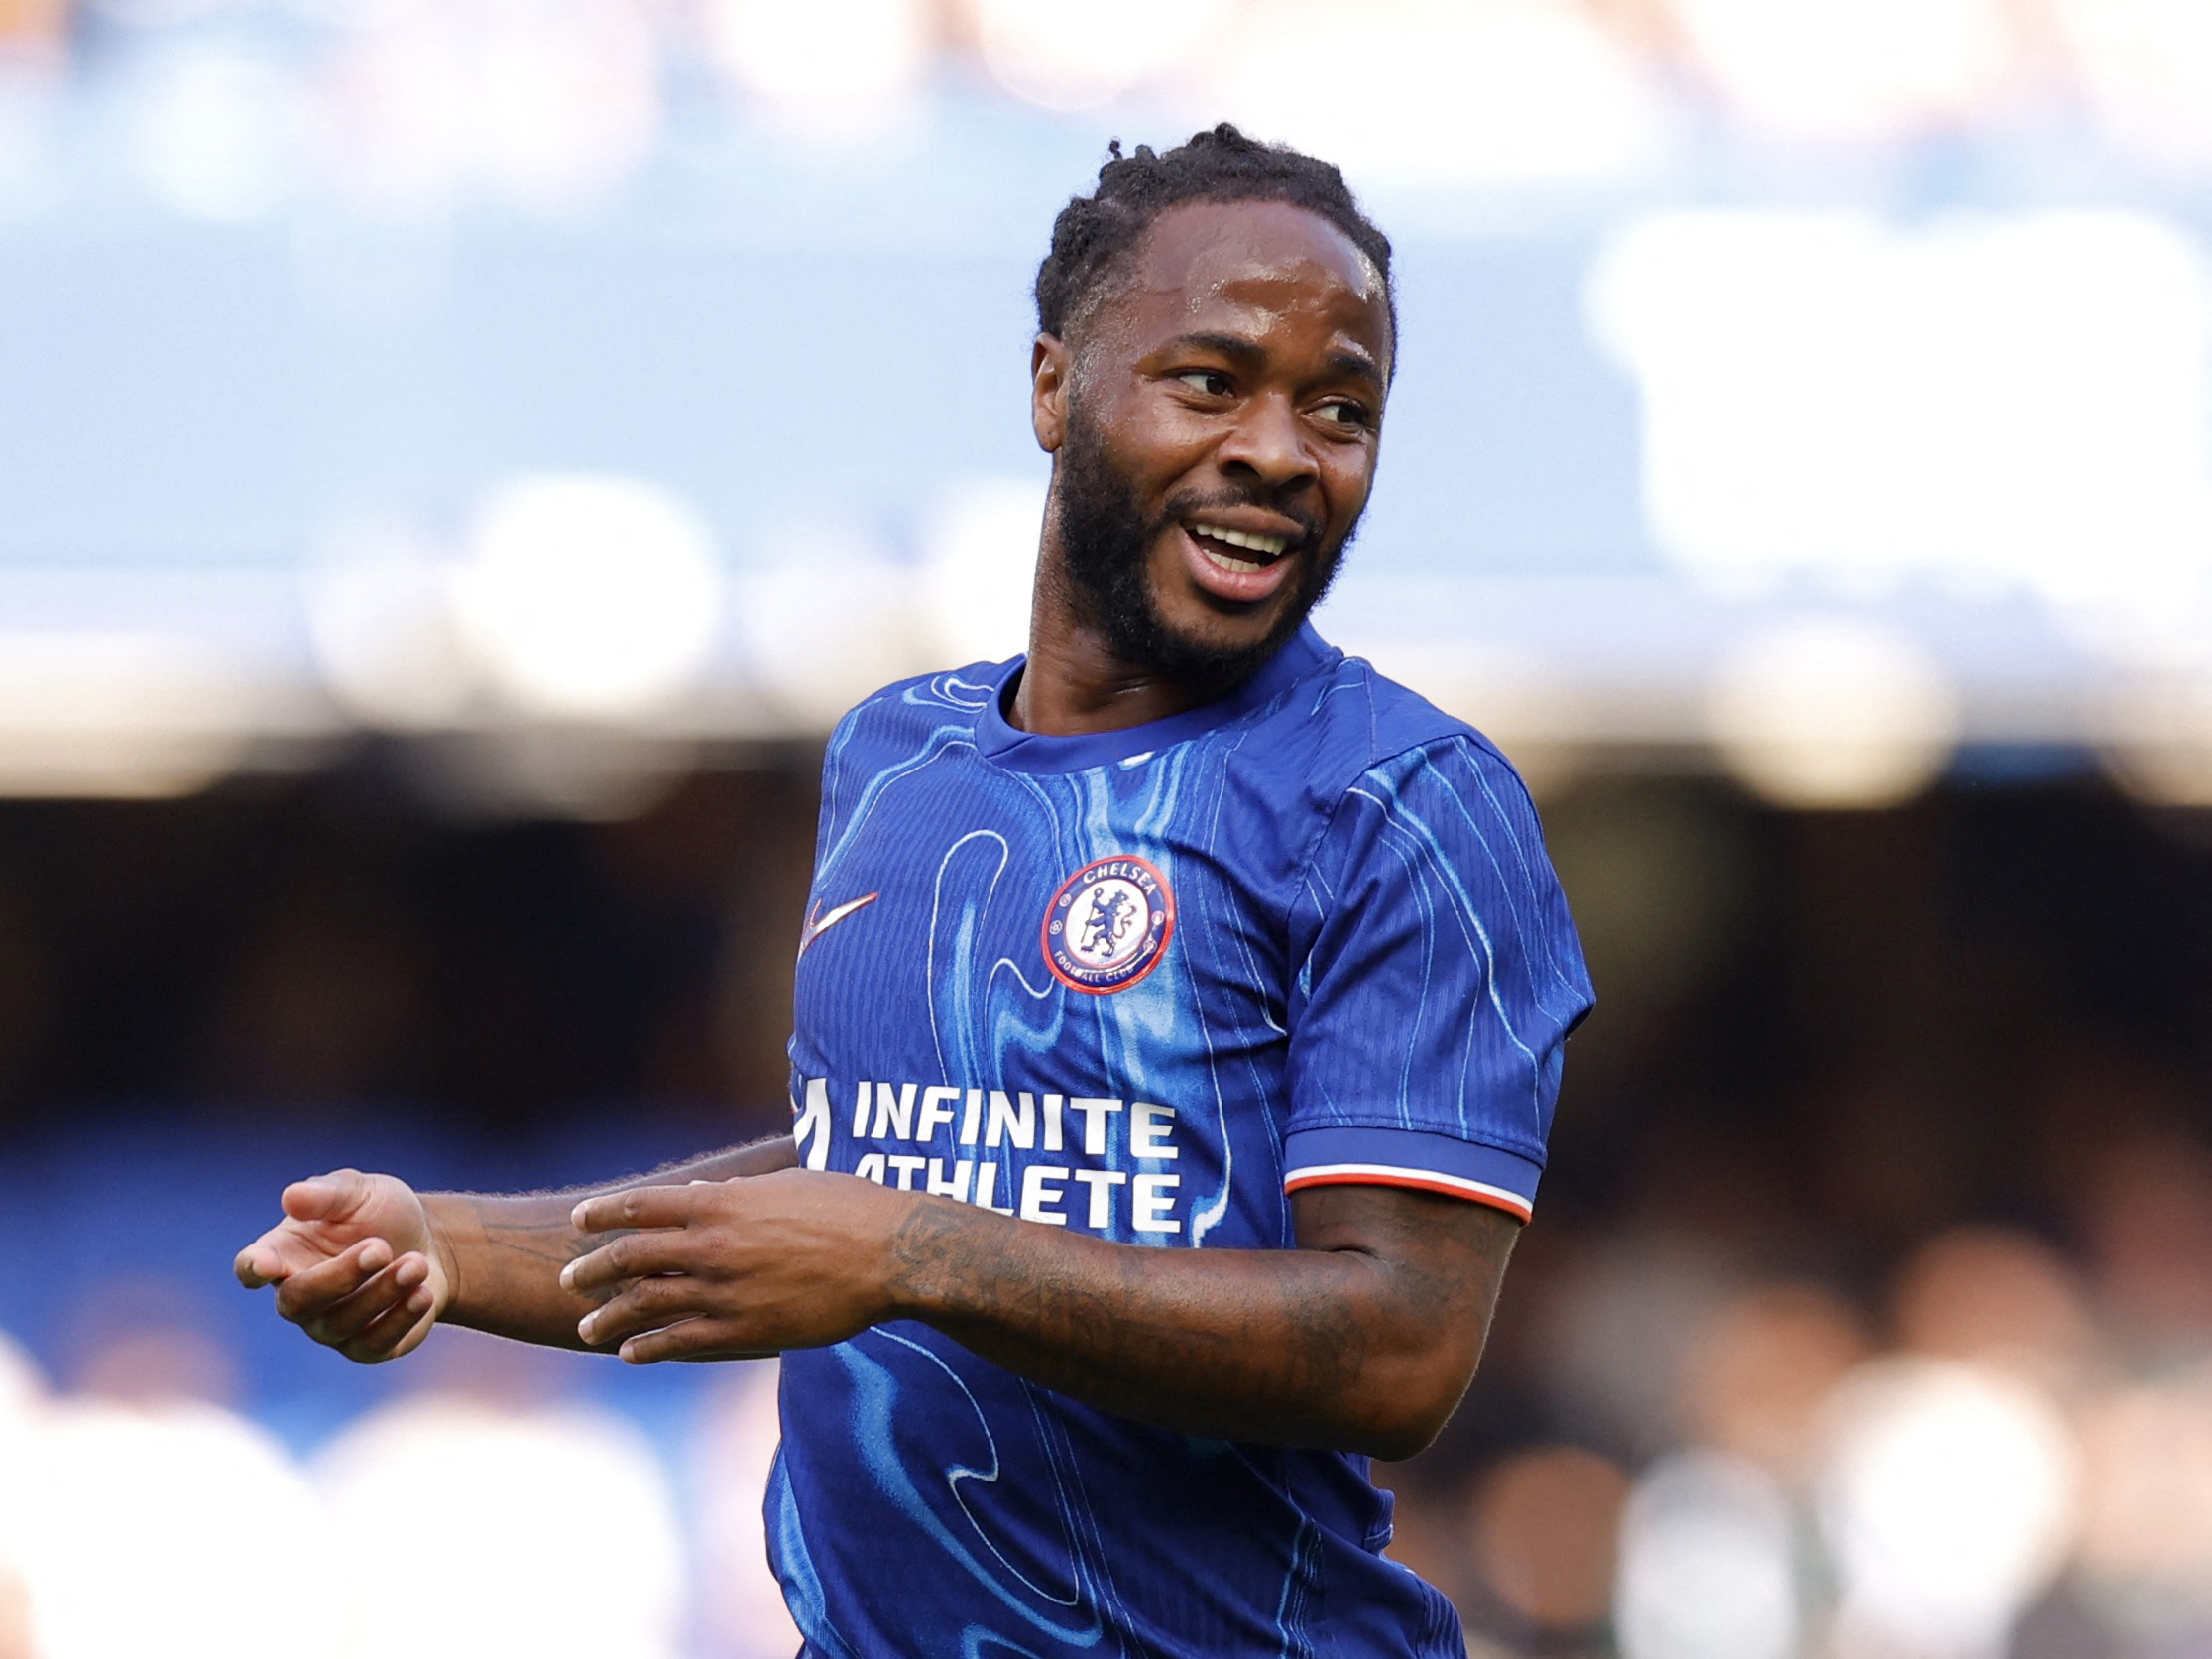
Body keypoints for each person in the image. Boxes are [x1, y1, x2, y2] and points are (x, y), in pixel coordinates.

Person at [236, 125, 1593, 1659]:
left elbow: (1397, 1349)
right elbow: (858, 1162)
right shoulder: (895, 753)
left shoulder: (1402, 799)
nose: (1280, 449)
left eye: (1339, 408)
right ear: (1049, 385)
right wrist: (449, 1245)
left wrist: (913, 1251)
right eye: (1210, 382)